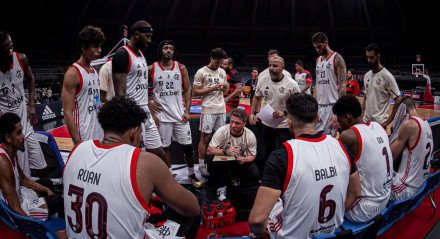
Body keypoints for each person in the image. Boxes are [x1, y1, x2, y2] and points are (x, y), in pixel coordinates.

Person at [63, 97, 200, 238]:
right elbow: (193, 207)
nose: (140, 139)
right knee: (190, 215)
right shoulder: (145, 162)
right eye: (140, 134)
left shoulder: (78, 149)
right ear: (134, 132)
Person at [249, 93, 356, 238]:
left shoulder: (282, 155)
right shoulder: (341, 146)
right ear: (318, 119)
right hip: (332, 232)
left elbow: (257, 220)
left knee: (275, 207)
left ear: (290, 123)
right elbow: (356, 192)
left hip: (294, 235)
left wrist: (260, 233)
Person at [112, 20, 166, 163]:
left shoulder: (141, 54)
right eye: (147, 36)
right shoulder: (122, 55)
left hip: (146, 113)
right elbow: (120, 95)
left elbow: (142, 88)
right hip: (133, 114)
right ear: (136, 35)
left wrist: (152, 113)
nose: (149, 40)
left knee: (159, 153)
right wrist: (128, 123)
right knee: (135, 158)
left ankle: (165, 181)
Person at [149, 40, 201, 187]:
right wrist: (149, 101)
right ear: (161, 50)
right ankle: (169, 175)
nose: (168, 51)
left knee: (188, 148)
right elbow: (136, 85)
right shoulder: (152, 68)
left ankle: (191, 174)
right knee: (165, 149)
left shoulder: (181, 67)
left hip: (180, 116)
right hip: (162, 116)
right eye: (165, 48)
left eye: (171, 48)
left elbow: (188, 89)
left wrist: (187, 110)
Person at [333, 95, 392, 223]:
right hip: (385, 197)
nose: (339, 124)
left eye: (340, 120)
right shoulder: (378, 127)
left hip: (363, 209)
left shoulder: (348, 135)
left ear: (348, 117)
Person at [0, 113, 64, 221]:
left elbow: (23, 179)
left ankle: (51, 214)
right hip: (19, 211)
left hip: (21, 196)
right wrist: (34, 226)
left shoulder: (10, 151)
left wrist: (46, 190)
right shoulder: (3, 162)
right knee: (58, 200)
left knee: (47, 184)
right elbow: (15, 207)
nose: (23, 136)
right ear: (8, 138)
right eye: (19, 133)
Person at [0, 31, 47, 177]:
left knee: (42, 167)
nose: (10, 52)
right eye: (5, 50)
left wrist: (32, 105)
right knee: (19, 174)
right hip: (11, 131)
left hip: (25, 124)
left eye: (11, 47)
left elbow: (31, 79)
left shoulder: (21, 59)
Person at [249, 56, 300, 171]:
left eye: (275, 66)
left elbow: (298, 104)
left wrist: (285, 112)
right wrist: (252, 113)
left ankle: (284, 174)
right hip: (267, 123)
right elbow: (257, 97)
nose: (271, 68)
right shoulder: (263, 80)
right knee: (267, 150)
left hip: (285, 125)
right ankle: (268, 172)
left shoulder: (292, 84)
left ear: (283, 68)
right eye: (270, 65)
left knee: (283, 152)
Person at [62, 25, 104, 145]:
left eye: (100, 46)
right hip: (84, 133)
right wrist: (77, 141)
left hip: (98, 130)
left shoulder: (94, 71)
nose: (99, 50)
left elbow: (96, 102)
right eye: (96, 46)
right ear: (84, 47)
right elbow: (67, 112)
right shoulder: (73, 73)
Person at [192, 47, 229, 178]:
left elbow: (224, 93)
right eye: (217, 62)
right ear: (211, 58)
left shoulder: (222, 72)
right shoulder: (201, 72)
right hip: (208, 109)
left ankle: (218, 164)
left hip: (221, 109)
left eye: (220, 63)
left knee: (221, 138)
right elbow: (195, 92)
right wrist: (211, 88)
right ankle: (201, 166)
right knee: (205, 138)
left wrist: (226, 88)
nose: (219, 65)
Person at [390, 96, 433, 200]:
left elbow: (390, 156)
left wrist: (395, 131)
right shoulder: (426, 124)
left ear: (402, 111)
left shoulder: (409, 125)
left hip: (405, 189)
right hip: (421, 186)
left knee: (369, 181)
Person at [206, 108, 259, 189]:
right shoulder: (222, 131)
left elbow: (252, 156)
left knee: (254, 172)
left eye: (237, 123)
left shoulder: (250, 135)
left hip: (239, 161)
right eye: (231, 122)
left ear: (244, 123)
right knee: (213, 167)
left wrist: (243, 159)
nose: (233, 125)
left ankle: (243, 189)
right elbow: (209, 151)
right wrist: (225, 151)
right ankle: (220, 187)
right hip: (222, 160)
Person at [312, 32, 347, 136]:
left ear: (326, 42)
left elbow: (343, 86)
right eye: (315, 47)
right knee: (315, 137)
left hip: (332, 106)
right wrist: (314, 108)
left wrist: (337, 112)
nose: (317, 49)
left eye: (319, 46)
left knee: (328, 139)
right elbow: (317, 85)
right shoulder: (318, 60)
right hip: (319, 106)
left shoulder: (337, 58)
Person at [362, 43, 402, 128]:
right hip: (366, 122)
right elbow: (365, 97)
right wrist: (361, 117)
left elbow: (398, 99)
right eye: (367, 57)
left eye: (371, 57)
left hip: (379, 123)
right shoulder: (366, 75)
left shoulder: (387, 76)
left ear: (378, 56)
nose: (369, 60)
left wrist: (387, 122)